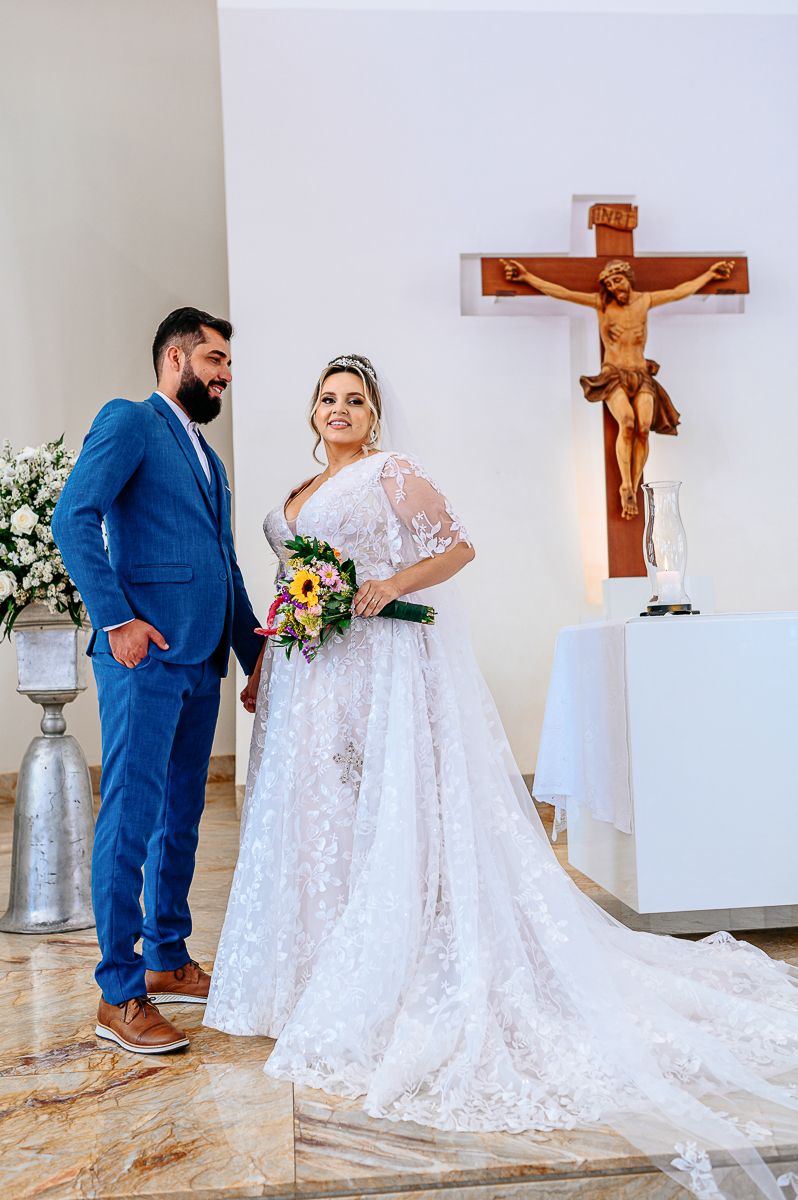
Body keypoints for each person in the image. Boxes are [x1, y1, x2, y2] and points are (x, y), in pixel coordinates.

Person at [206, 354, 798, 1200]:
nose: (340, 410)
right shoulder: (297, 496)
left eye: (356, 401)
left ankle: (392, 963)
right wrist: (269, 663)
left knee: (380, 815)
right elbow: (284, 585)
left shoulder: (390, 475)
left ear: (376, 417)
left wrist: (387, 585)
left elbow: (457, 547)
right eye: (329, 399)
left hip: (372, 669)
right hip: (308, 677)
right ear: (311, 413)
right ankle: (313, 974)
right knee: (317, 817)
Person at [53, 307, 262, 1055]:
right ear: (176, 358)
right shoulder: (131, 421)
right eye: (214, 360)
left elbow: (224, 566)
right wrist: (117, 622)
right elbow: (72, 517)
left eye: (227, 365)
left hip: (201, 659)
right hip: (143, 659)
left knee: (182, 817)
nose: (225, 374)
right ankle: (119, 993)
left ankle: (168, 957)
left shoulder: (210, 458)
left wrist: (253, 656)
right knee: (131, 820)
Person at [500, 256, 735, 518]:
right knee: (628, 422)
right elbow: (563, 292)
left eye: (618, 280)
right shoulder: (602, 304)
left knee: (644, 429)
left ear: (628, 279)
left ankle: (633, 487)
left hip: (640, 373)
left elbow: (680, 291)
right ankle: (626, 486)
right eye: (609, 283)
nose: (614, 287)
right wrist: (526, 277)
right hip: (613, 373)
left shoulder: (645, 300)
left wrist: (711, 276)